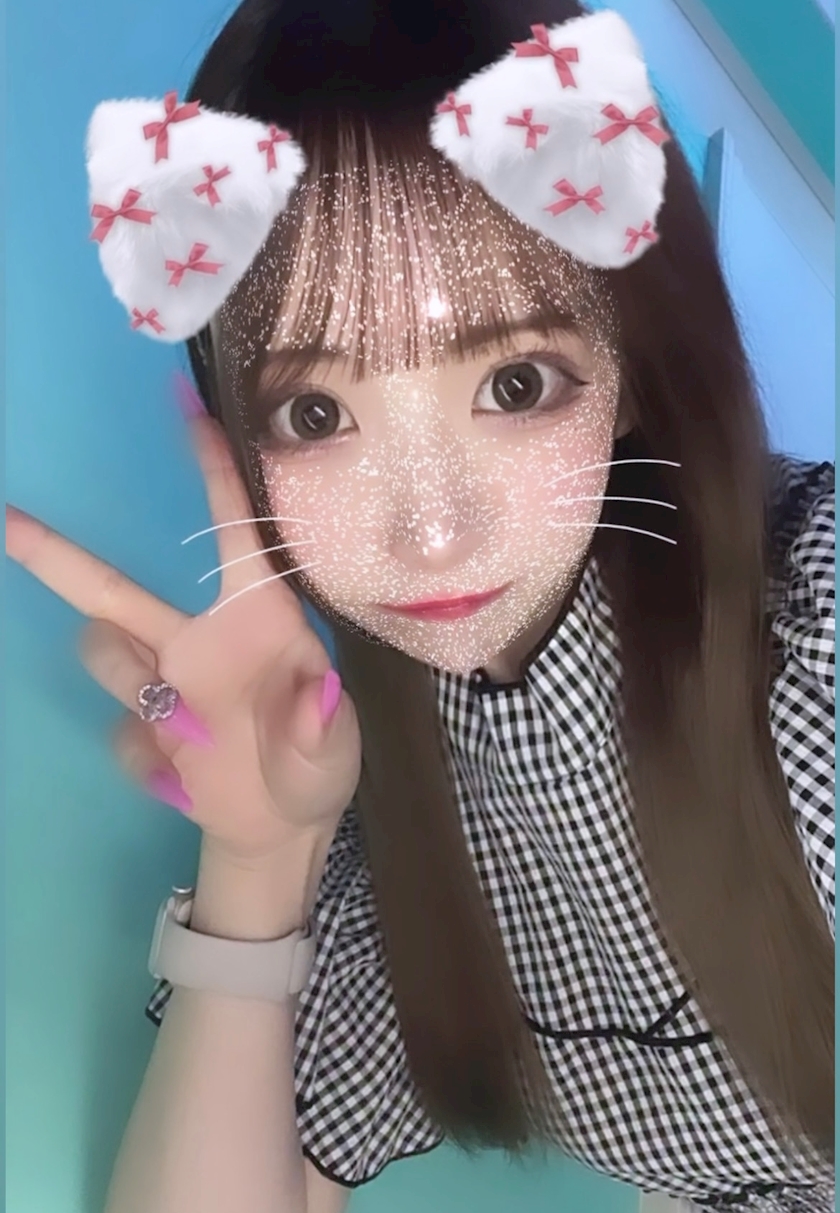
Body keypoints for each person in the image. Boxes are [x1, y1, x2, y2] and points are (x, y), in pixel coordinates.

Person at [5, 2, 834, 1211]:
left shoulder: (812, 620)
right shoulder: (384, 822)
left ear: (631, 376)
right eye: (316, 414)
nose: (430, 531)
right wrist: (257, 859)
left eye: (516, 383)